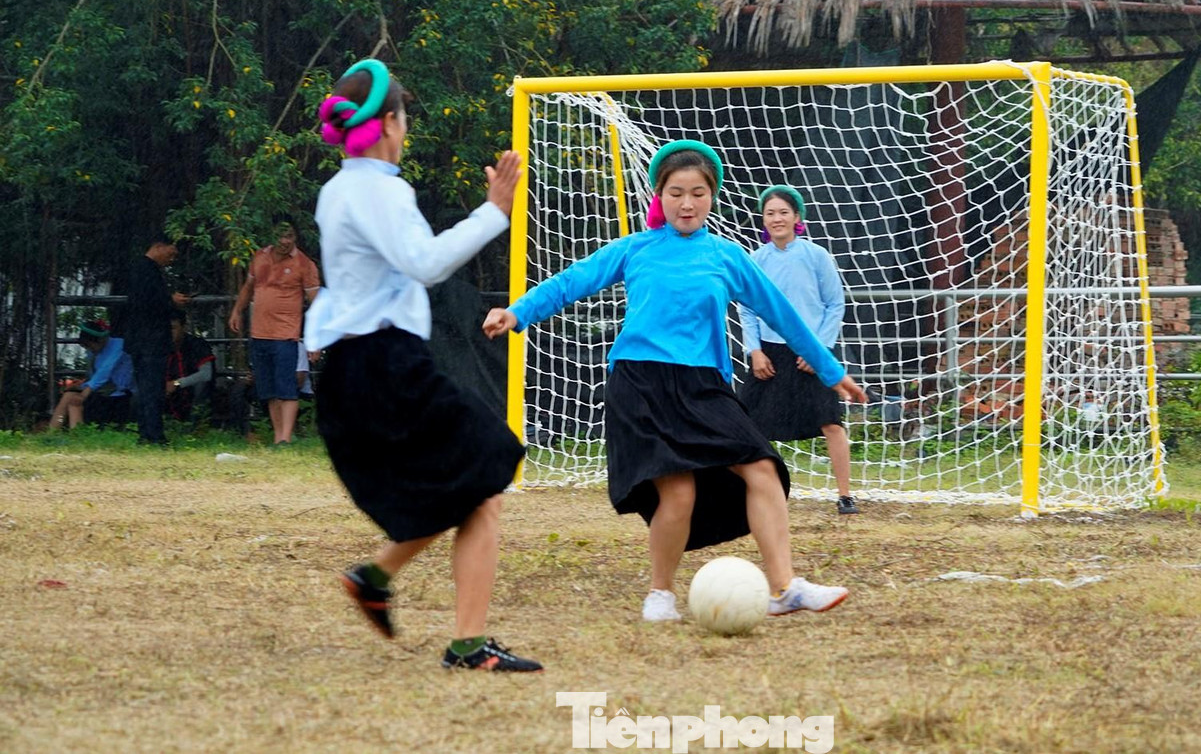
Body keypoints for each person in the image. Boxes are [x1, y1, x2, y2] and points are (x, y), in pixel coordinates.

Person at [483, 140, 869, 623]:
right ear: (660, 197)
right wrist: (516, 313)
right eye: (676, 193)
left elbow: (785, 317)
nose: (687, 203)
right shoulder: (635, 249)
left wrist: (831, 372)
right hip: (641, 384)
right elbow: (570, 283)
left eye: (698, 193)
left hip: (705, 386)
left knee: (764, 470)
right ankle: (660, 594)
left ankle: (785, 588)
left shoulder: (728, 258)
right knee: (679, 492)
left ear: (713, 197)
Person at [304, 57, 541, 673]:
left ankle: (377, 579)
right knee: (488, 472)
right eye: (404, 118)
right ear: (387, 123)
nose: (407, 129)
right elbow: (426, 263)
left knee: (472, 485)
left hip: (362, 365)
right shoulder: (377, 188)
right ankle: (465, 644)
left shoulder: (338, 190)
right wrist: (495, 210)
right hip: (384, 364)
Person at [737, 185, 859, 515]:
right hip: (770, 355)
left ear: (797, 217)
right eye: (770, 213)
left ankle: (846, 496)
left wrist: (818, 350)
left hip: (810, 355)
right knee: (745, 424)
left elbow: (835, 304)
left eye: (783, 212)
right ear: (763, 220)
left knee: (831, 423)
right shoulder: (756, 260)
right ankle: (754, 492)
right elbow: (747, 308)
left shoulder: (816, 256)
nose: (777, 219)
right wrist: (755, 350)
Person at [228, 219, 321, 444]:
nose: (284, 241)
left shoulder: (304, 264)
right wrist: (237, 311)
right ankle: (278, 435)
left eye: (289, 236)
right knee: (268, 389)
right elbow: (248, 287)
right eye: (280, 236)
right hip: (259, 333)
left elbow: (316, 302)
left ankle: (285, 438)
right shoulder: (259, 256)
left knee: (287, 388)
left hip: (286, 335)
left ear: (295, 238)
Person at [125, 235, 190, 445]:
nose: (172, 258)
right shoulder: (146, 270)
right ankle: (153, 435)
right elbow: (149, 302)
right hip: (150, 339)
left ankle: (147, 433)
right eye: (171, 252)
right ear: (158, 247)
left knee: (146, 388)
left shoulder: (141, 269)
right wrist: (171, 301)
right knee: (152, 389)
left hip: (141, 339)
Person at [49, 319, 134, 430]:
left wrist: (83, 395)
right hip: (102, 393)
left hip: (120, 396)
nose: (89, 350)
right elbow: (93, 376)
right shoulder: (93, 352)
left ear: (100, 340)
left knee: (75, 402)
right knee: (68, 396)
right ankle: (52, 431)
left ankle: (77, 434)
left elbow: (104, 372)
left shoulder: (119, 346)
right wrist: (79, 386)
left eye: (90, 346)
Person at [166, 310, 215, 422]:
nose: (169, 332)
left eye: (173, 328)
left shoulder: (197, 345)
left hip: (190, 391)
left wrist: (177, 383)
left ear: (184, 327)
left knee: (202, 385)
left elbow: (206, 375)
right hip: (168, 393)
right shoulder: (159, 347)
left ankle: (197, 425)